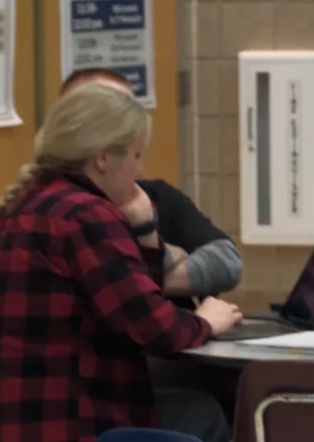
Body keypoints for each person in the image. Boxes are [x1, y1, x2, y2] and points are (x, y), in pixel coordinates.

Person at [0, 84, 243, 442]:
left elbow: (131, 293)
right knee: (204, 414)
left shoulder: (23, 207)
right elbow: (153, 327)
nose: (141, 170)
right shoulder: (85, 214)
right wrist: (205, 322)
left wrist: (144, 230)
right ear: (104, 158)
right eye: (136, 156)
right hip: (58, 430)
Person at [61, 68, 241, 299]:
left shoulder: (154, 195)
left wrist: (143, 276)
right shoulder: (62, 212)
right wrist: (165, 257)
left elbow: (227, 261)